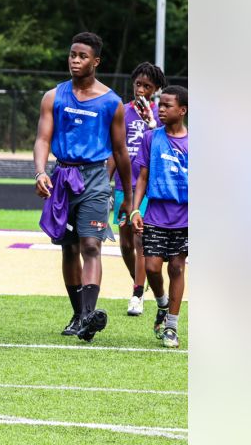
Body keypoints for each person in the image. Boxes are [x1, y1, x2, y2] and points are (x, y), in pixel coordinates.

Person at [32, 32, 133, 342]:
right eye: (72, 55)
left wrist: (128, 197)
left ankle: (89, 316)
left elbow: (120, 152)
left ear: (96, 61)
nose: (75, 60)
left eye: (82, 56)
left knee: (91, 246)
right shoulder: (53, 96)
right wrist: (39, 172)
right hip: (62, 177)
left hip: (95, 180)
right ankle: (79, 314)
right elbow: (43, 139)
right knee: (68, 247)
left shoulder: (111, 102)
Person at [129, 85, 188, 348]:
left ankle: (171, 328)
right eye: (159, 105)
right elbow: (142, 177)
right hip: (155, 214)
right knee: (152, 267)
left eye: (167, 106)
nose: (161, 109)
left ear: (182, 110)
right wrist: (134, 209)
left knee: (176, 267)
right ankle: (162, 302)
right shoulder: (151, 138)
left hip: (186, 217)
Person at [113, 62, 167, 316]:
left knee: (140, 240)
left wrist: (152, 122)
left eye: (147, 86)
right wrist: (105, 181)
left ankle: (136, 294)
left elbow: (165, 146)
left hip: (146, 188)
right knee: (124, 242)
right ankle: (138, 281)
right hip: (125, 185)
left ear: (156, 89)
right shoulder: (122, 112)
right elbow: (116, 148)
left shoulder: (162, 115)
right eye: (138, 85)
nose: (141, 90)